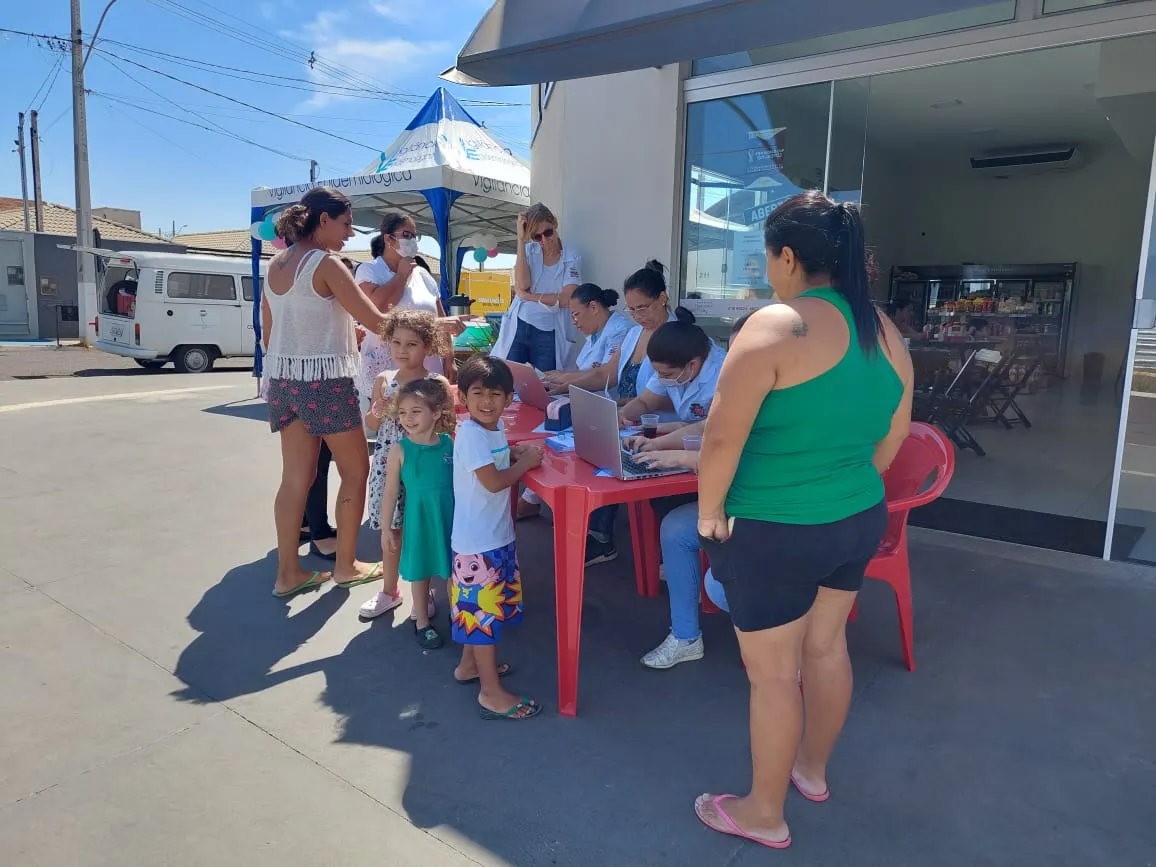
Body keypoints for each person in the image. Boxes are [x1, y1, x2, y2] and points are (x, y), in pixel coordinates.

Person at [692, 191, 913, 849]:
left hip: (775, 528)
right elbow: (892, 439)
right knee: (826, 645)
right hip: (854, 516)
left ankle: (765, 810)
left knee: (773, 673)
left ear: (787, 256)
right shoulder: (885, 329)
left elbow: (721, 439)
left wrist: (708, 514)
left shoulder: (774, 325)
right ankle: (810, 771)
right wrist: (842, 485)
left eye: (769, 257)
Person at [261, 187, 389, 597]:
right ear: (323, 220)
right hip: (326, 382)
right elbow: (378, 321)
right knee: (357, 471)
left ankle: (287, 575)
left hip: (284, 380)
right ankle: (346, 566)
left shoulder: (275, 264)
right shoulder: (327, 263)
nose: (350, 233)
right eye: (346, 223)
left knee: (295, 478)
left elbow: (269, 332)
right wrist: (435, 330)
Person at [624, 313, 753, 669]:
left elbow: (737, 454)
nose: (735, 356)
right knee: (677, 528)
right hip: (736, 497)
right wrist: (662, 445)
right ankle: (685, 637)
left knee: (724, 582)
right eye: (735, 346)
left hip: (772, 507)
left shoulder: (776, 391)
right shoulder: (739, 383)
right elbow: (707, 426)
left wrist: (676, 455)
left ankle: (783, 649)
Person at [451, 356, 544, 719]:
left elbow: (494, 462)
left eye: (495, 394)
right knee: (484, 621)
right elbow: (492, 482)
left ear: (508, 399)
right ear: (463, 396)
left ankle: (468, 667)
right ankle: (490, 692)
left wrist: (513, 453)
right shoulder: (472, 433)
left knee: (478, 615)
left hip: (493, 537)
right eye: (477, 393)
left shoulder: (491, 429)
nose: (486, 401)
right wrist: (524, 465)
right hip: (479, 547)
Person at [360, 309, 451, 621]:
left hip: (422, 468)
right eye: (396, 342)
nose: (402, 350)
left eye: (411, 344)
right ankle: (389, 591)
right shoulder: (384, 380)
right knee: (392, 527)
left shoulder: (436, 381)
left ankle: (423, 594)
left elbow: (448, 425)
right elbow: (370, 423)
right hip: (389, 462)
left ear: (427, 345)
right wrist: (379, 409)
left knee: (420, 527)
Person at [378, 377, 458, 649]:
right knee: (421, 573)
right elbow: (390, 492)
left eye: (415, 411)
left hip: (449, 518)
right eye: (402, 413)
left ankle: (458, 615)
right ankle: (422, 622)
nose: (408, 418)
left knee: (452, 571)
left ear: (435, 413)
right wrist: (386, 527)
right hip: (419, 520)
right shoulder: (400, 450)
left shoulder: (449, 444)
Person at [354, 212, 458, 413]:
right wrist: (401, 275)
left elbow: (440, 318)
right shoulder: (369, 271)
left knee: (427, 423)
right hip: (389, 369)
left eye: (414, 236)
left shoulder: (423, 274)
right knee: (394, 425)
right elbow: (378, 309)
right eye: (406, 235)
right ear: (388, 238)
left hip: (427, 366)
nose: (412, 241)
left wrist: (450, 359)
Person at [491, 203, 581, 372]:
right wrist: (520, 240)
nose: (544, 240)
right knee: (508, 378)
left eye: (548, 232)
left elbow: (567, 299)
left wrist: (528, 296)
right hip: (520, 325)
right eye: (536, 237)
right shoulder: (528, 251)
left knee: (546, 385)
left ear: (554, 224)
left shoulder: (571, 257)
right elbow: (523, 284)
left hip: (549, 331)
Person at [618, 320, 727, 430]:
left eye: (667, 375)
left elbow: (713, 429)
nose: (660, 379)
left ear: (692, 365)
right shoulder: (670, 363)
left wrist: (662, 434)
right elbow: (645, 402)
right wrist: (621, 415)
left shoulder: (723, 376)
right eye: (658, 372)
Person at [542, 283, 633, 392]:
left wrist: (564, 378)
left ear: (594, 307)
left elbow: (605, 374)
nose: (573, 322)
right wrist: (560, 376)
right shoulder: (595, 334)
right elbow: (583, 370)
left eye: (576, 315)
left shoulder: (621, 330)